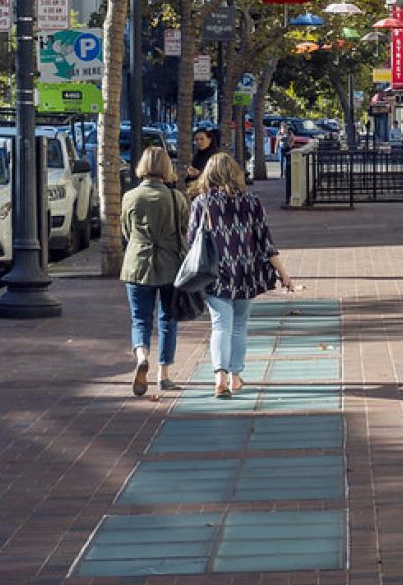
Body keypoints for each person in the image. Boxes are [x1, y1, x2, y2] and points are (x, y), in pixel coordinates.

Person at [188, 151, 294, 398]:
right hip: (245, 272)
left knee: (220, 326)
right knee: (239, 326)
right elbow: (266, 243)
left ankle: (219, 377)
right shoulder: (252, 202)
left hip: (214, 272)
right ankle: (235, 376)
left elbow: (192, 241)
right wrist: (284, 274)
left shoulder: (201, 204)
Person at [120, 145, 189, 396]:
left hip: (137, 265)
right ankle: (163, 374)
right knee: (168, 319)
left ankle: (141, 355)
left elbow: (126, 233)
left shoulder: (131, 197)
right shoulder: (176, 198)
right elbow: (184, 231)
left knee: (140, 319)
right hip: (170, 265)